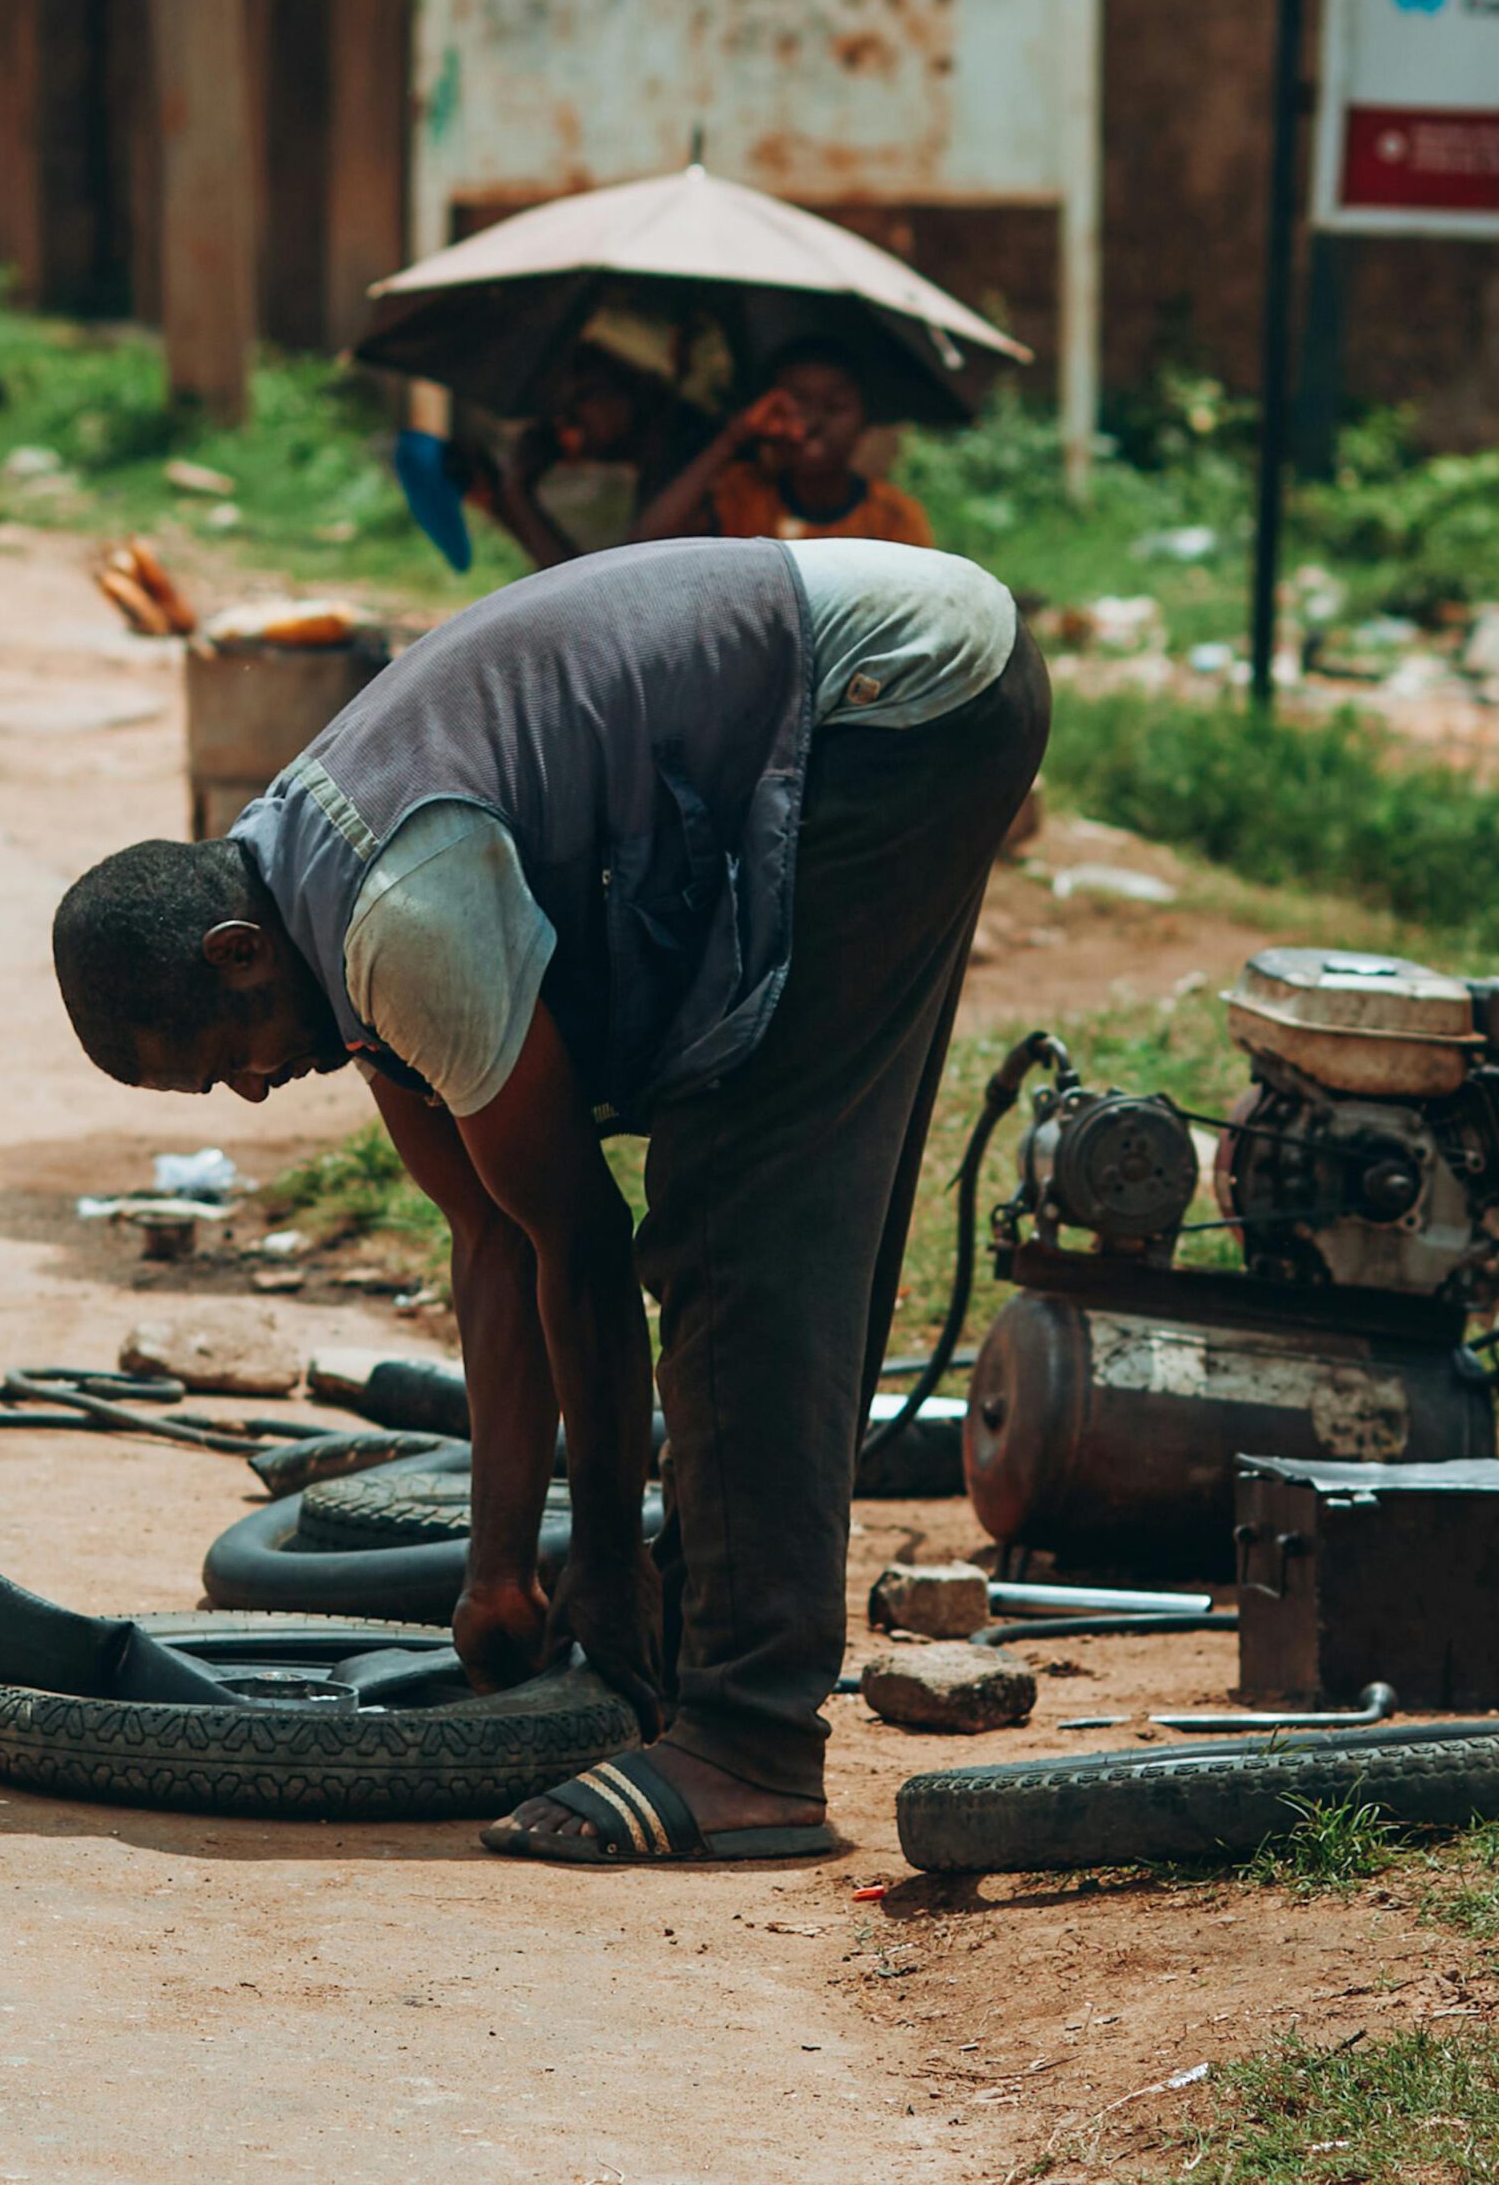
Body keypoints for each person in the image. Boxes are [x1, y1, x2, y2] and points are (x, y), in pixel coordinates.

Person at [51, 536, 1047, 1865]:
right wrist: (501, 1566)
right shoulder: (304, 897)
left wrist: (612, 1578)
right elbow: (491, 1239)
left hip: (902, 697)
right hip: (867, 677)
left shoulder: (395, 914)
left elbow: (579, 1247)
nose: (249, 1095)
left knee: (741, 1207)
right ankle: (717, 1659)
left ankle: (750, 1747)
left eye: (222, 1061)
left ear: (238, 957)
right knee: (777, 1190)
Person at [469, 310, 720, 569]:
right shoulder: (662, 464)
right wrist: (506, 501)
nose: (566, 417)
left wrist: (517, 493)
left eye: (583, 395)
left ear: (640, 384)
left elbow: (605, 591)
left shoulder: (699, 461)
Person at [634, 342, 932, 548]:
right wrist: (733, 438)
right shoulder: (742, 492)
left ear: (864, 421)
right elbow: (643, 544)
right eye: (798, 403)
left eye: (835, 406)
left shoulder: (894, 518)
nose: (814, 423)